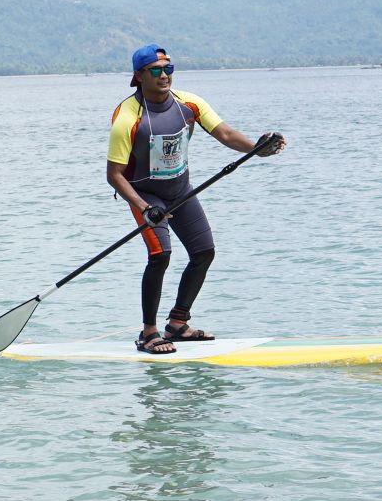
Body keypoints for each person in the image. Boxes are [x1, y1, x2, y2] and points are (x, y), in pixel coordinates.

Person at [106, 44, 286, 354]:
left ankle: (177, 324)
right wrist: (144, 208)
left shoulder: (190, 104)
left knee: (204, 252)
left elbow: (226, 134)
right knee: (160, 255)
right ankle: (149, 333)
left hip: (180, 190)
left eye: (169, 69)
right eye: (156, 70)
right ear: (139, 76)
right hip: (145, 195)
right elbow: (115, 175)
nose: (164, 76)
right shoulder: (128, 118)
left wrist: (257, 148)